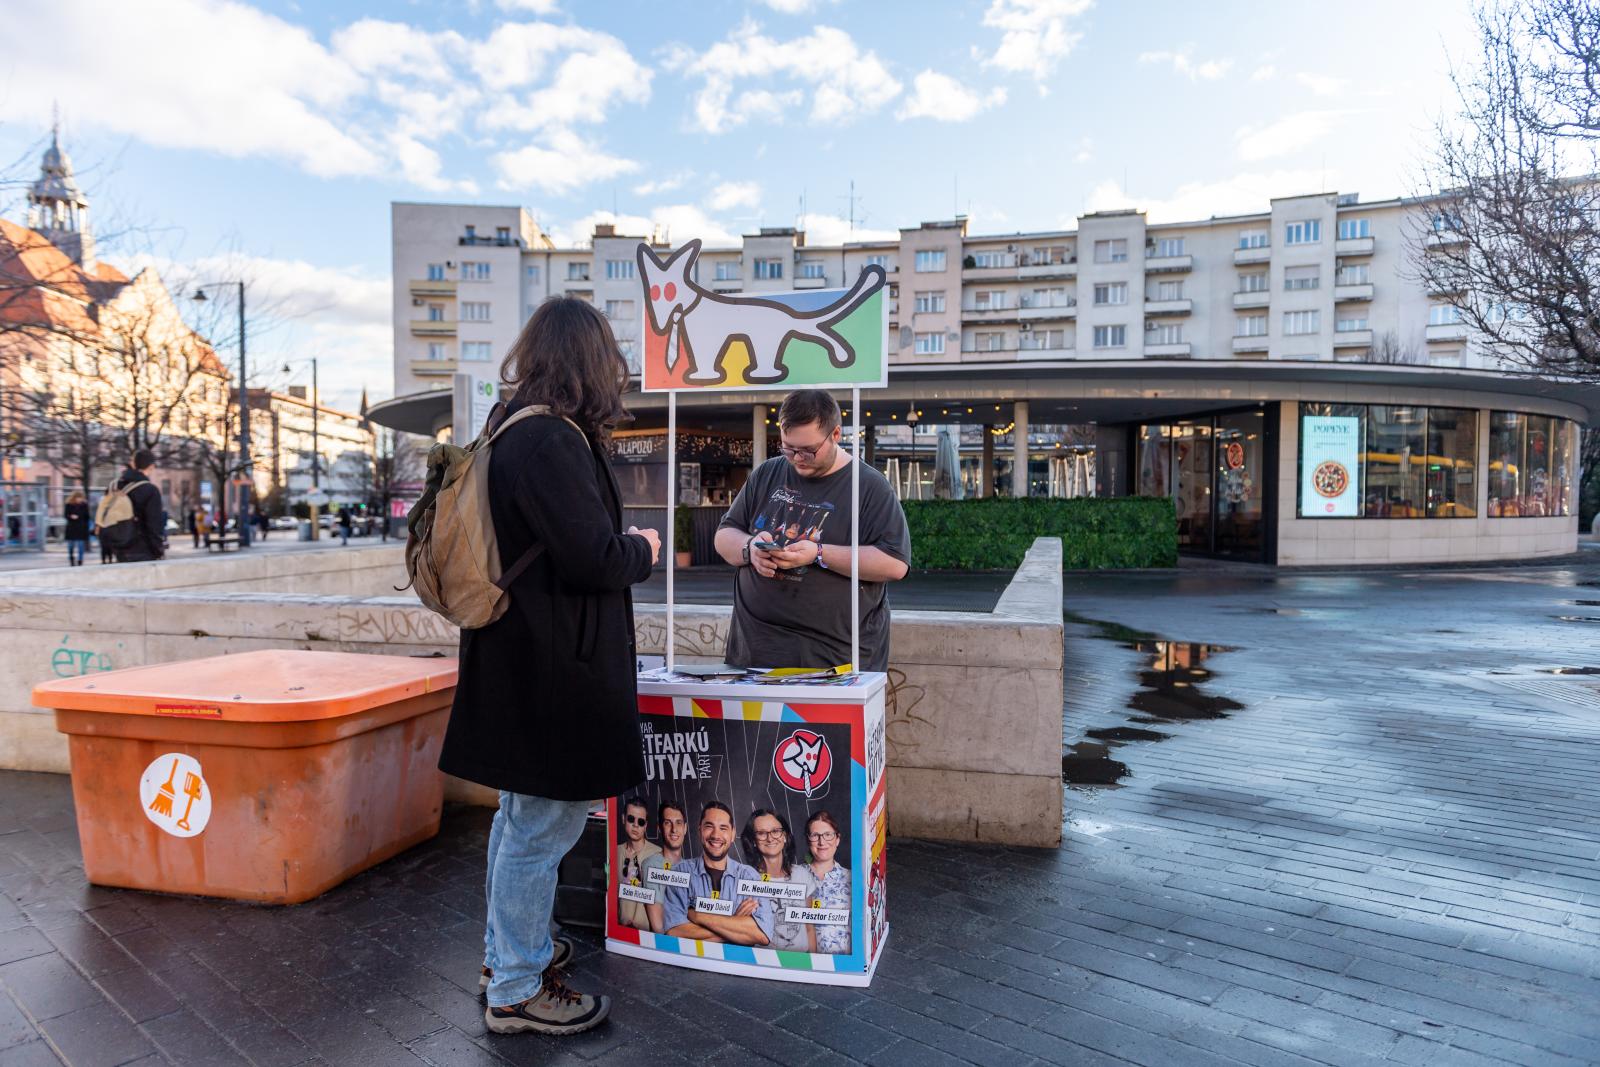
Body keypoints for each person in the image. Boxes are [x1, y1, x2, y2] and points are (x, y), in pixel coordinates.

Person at [439, 296, 660, 1037]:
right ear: (591, 363)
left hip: (519, 659)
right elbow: (592, 558)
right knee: (542, 827)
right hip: (554, 668)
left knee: (519, 819)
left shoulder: (510, 426)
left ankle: (507, 953)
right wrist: (643, 550)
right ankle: (516, 986)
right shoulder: (551, 441)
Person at [714, 389, 912, 673]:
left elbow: (895, 563)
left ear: (836, 434)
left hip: (833, 660)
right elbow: (724, 535)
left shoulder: (870, 486)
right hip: (752, 651)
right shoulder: (767, 473)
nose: (797, 458)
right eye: (788, 448)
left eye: (808, 450)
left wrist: (819, 553)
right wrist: (750, 549)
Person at [662, 801, 774, 947]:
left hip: (735, 961)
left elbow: (763, 934)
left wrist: (698, 916)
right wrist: (735, 924)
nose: (716, 835)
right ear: (700, 831)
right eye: (709, 826)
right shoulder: (680, 872)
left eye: (723, 828)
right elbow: (674, 932)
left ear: (732, 834)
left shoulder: (749, 876)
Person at [743, 808, 815, 952]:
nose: (770, 838)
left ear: (785, 836)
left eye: (775, 831)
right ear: (754, 841)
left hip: (802, 960)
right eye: (762, 833)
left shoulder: (802, 875)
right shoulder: (747, 879)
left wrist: (814, 961)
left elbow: (809, 928)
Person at [799, 810, 851, 955]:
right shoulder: (795, 876)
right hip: (803, 960)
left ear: (837, 839)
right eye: (815, 835)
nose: (822, 842)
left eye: (828, 835)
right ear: (808, 840)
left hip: (842, 961)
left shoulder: (851, 879)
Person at [110, 450, 166, 563]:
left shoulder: (115, 486)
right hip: (142, 547)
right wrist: (158, 549)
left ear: (133, 464)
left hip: (118, 545)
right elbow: (154, 523)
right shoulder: (150, 490)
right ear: (151, 466)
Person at [640, 800, 687, 934]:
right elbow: (658, 926)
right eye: (667, 823)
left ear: (685, 828)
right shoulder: (652, 865)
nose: (674, 829)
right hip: (664, 944)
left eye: (678, 823)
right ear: (659, 828)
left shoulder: (689, 868)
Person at [615, 798, 661, 933]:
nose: (635, 825)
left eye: (640, 822)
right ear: (623, 819)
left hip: (648, 936)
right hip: (620, 932)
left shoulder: (658, 854)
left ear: (645, 825)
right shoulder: (614, 852)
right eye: (631, 819)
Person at [63, 491, 90, 567]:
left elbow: (87, 516)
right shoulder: (69, 505)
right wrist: (71, 516)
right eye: (78, 498)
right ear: (74, 498)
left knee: (81, 545)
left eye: (81, 498)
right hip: (71, 527)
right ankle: (71, 558)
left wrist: (85, 525)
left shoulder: (84, 505)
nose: (79, 499)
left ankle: (80, 560)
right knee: (70, 545)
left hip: (81, 528)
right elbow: (66, 515)